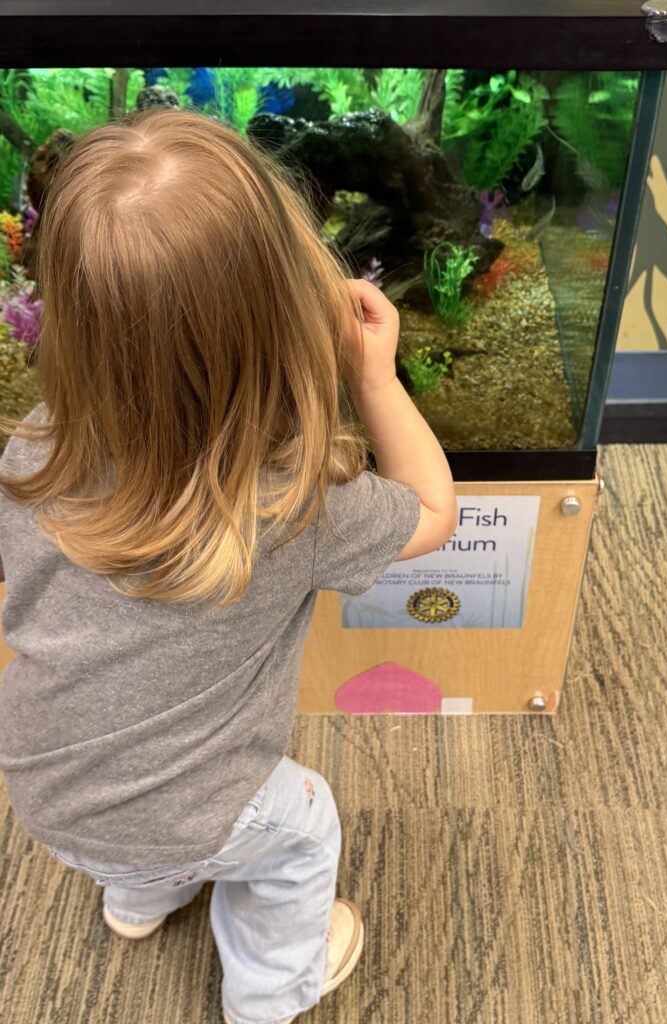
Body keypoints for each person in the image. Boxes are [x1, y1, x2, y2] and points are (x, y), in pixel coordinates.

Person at [0, 109, 457, 1024]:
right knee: (306, 826)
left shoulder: (35, 451)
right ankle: (268, 994)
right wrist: (374, 378)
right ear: (281, 313)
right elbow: (434, 514)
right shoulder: (296, 505)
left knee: (143, 813)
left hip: (41, 787)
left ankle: (137, 900)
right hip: (198, 809)